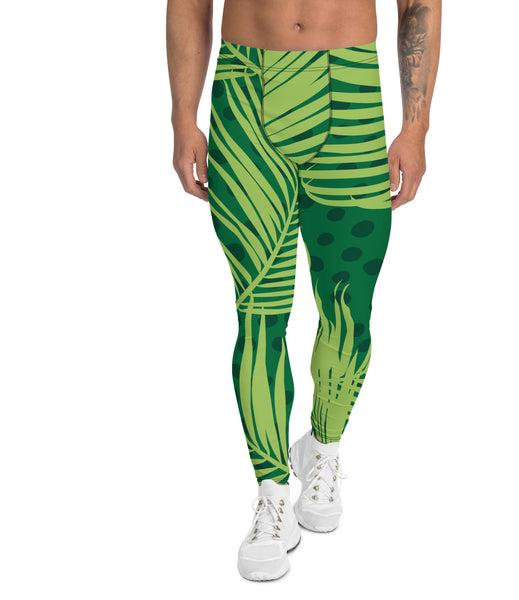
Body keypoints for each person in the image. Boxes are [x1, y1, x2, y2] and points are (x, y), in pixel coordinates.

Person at [166, 0, 441, 581]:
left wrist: (416, 127)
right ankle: (270, 493)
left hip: (351, 92)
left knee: (349, 307)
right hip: (245, 94)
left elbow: (418, 4)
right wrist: (182, 117)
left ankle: (324, 444)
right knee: (258, 311)